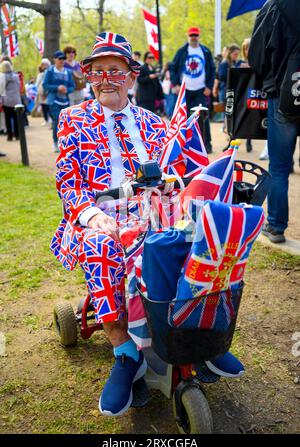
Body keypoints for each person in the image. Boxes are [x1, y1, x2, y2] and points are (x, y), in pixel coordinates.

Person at [51, 32, 244, 418]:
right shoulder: (72, 118)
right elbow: (69, 184)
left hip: (155, 209)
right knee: (103, 246)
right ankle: (126, 354)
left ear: (131, 76)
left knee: (200, 237)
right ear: (88, 76)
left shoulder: (154, 122)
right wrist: (95, 217)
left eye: (115, 71)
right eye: (97, 71)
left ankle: (200, 339)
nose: (106, 78)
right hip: (96, 214)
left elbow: (179, 171)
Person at [248, 0, 300, 244]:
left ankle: (276, 226)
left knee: (279, 168)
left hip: (282, 94)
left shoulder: (272, 7)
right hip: (283, 91)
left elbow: (256, 57)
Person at [170, 26, 216, 153]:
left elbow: (212, 69)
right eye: (191, 35)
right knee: (183, 118)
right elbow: (172, 67)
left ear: (199, 36)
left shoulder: (205, 51)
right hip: (185, 91)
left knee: (203, 118)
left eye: (196, 35)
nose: (194, 38)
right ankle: (183, 145)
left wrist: (209, 86)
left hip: (200, 90)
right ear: (188, 36)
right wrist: (176, 84)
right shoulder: (182, 51)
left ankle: (207, 144)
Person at [43, 50, 75, 152]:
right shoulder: (50, 71)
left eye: (63, 59)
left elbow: (72, 86)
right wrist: (57, 88)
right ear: (55, 59)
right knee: (57, 121)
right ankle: (55, 143)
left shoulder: (68, 72)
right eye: (60, 58)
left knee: (66, 123)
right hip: (53, 101)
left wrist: (67, 90)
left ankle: (65, 143)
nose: (62, 60)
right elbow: (45, 85)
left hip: (65, 101)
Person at [1, 60, 21, 142]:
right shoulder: (16, 76)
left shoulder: (2, 77)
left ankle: (9, 136)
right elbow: (18, 87)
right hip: (16, 100)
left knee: (8, 119)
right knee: (16, 119)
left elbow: (1, 89)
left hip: (7, 101)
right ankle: (17, 135)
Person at [34, 58, 51, 126]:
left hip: (47, 91)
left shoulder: (49, 73)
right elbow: (37, 84)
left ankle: (49, 119)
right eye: (43, 64)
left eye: (46, 64)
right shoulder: (40, 74)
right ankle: (46, 119)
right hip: (41, 92)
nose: (44, 66)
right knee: (44, 106)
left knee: (47, 106)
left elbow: (37, 84)